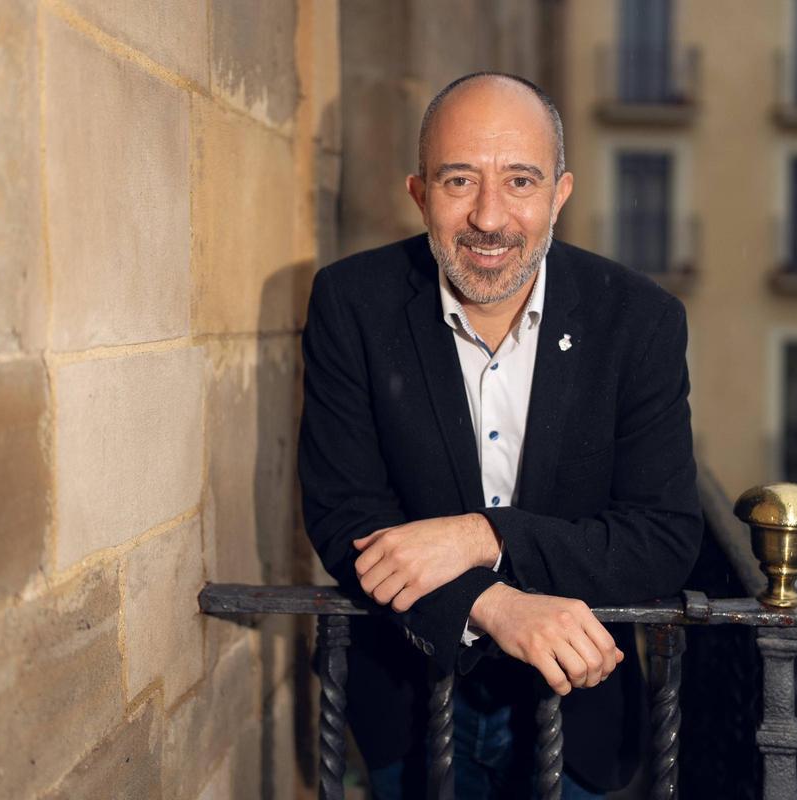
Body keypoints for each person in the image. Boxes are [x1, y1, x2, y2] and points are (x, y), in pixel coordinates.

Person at [298, 71, 702, 798]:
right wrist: (494, 602)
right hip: (405, 706)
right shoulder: (351, 303)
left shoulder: (640, 321)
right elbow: (344, 516)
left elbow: (663, 539)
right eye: (459, 180)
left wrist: (484, 535)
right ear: (419, 193)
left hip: (578, 714)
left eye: (520, 181)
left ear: (560, 194)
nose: (490, 217)